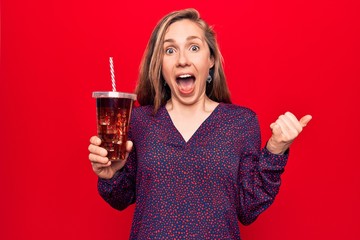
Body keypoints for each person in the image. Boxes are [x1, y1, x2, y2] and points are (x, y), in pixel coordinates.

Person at [88, 8, 312, 239]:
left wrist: (276, 149)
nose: (183, 60)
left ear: (211, 60)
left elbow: (247, 209)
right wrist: (111, 175)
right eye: (170, 50)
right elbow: (121, 198)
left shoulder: (241, 123)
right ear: (160, 64)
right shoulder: (139, 122)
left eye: (194, 48)